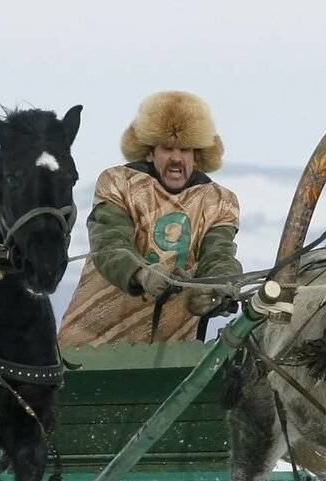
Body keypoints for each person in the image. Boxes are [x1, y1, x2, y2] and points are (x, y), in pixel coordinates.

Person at [58, 91, 242, 346]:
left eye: (185, 149)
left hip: (174, 352)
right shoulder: (117, 183)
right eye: (167, 148)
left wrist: (218, 289)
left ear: (197, 156)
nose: (176, 158)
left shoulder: (220, 201)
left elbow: (219, 256)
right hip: (92, 343)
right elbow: (110, 245)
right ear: (149, 152)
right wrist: (142, 275)